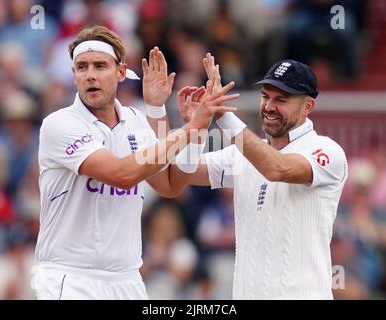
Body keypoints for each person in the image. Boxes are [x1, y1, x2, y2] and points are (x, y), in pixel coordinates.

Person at [31, 26, 238, 300]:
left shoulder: (135, 120)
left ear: (120, 72)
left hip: (127, 279)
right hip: (71, 278)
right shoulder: (60, 123)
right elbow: (123, 174)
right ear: (73, 75)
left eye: (100, 66)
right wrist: (190, 129)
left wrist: (192, 128)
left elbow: (171, 184)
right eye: (82, 67)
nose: (90, 74)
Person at [177, 54, 348, 299]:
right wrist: (193, 128)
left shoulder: (328, 151)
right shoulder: (242, 154)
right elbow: (183, 173)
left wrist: (221, 113)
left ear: (307, 106)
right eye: (265, 96)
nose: (268, 106)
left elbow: (275, 168)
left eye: (281, 99)